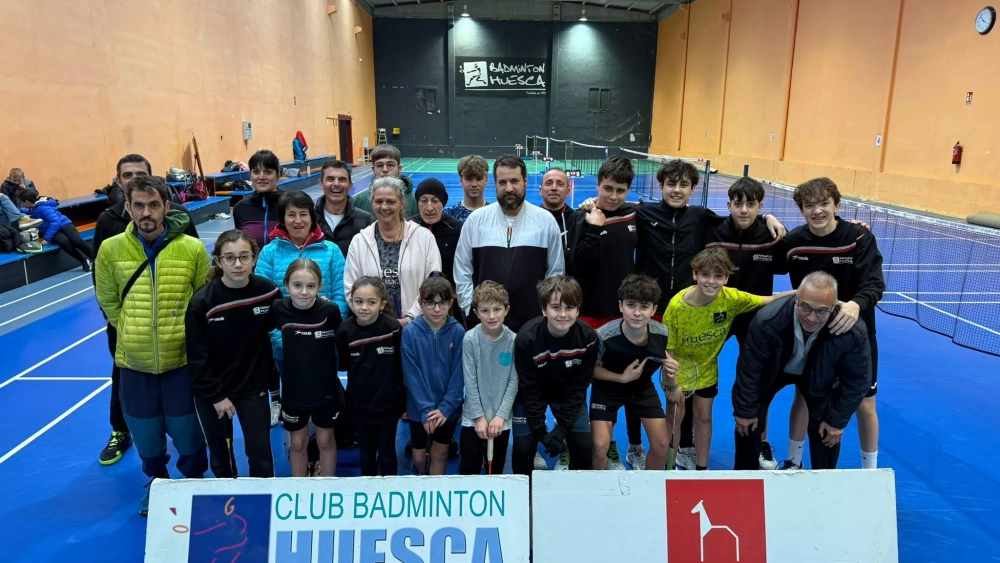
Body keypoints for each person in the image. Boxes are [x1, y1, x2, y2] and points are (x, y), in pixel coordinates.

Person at [94, 175, 211, 515]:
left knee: (188, 433)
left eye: (154, 205)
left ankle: (193, 482)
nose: (146, 212)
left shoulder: (191, 249)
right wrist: (133, 330)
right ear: (129, 208)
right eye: (139, 205)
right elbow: (108, 301)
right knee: (146, 435)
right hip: (134, 364)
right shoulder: (110, 249)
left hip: (181, 362)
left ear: (166, 207)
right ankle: (157, 482)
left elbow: (201, 300)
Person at [776, 177, 885, 470]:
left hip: (855, 336)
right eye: (809, 205)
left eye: (824, 203)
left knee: (864, 403)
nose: (817, 211)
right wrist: (767, 218)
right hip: (811, 333)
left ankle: (870, 473)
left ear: (837, 205)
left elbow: (875, 283)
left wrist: (855, 305)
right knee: (803, 396)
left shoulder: (859, 238)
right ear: (801, 209)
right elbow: (764, 257)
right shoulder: (793, 242)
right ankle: (794, 462)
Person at [663, 248, 791, 470]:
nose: (711, 281)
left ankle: (702, 469)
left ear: (726, 278)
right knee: (675, 418)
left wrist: (804, 292)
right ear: (695, 274)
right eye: (705, 275)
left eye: (718, 276)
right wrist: (672, 384)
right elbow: (668, 350)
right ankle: (669, 467)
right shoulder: (676, 307)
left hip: (707, 368)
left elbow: (768, 299)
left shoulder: (731, 298)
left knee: (704, 417)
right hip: (679, 369)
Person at [732, 272, 872, 470]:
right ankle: (745, 480)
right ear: (796, 299)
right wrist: (745, 411)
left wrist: (836, 422)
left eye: (821, 311)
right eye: (805, 307)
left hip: (818, 374)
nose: (811, 317)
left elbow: (857, 380)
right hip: (774, 371)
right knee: (747, 423)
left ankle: (824, 482)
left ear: (834, 306)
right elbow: (750, 370)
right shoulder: (767, 320)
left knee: (828, 430)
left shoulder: (852, 331)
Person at [570, 156, 645, 470]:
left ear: (628, 190)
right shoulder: (582, 216)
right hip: (587, 313)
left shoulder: (636, 215)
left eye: (620, 190)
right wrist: (592, 227)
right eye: (607, 188)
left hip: (619, 315)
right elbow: (577, 266)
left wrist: (768, 218)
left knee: (612, 385)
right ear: (598, 184)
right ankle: (571, 445)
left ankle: (610, 446)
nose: (613, 196)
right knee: (576, 384)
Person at [185, 230, 279, 478]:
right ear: (218, 261)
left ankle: (261, 497)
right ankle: (227, 498)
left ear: (254, 258)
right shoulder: (202, 303)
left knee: (261, 455)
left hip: (252, 387)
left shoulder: (268, 293)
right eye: (229, 258)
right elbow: (196, 357)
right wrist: (216, 395)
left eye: (244, 256)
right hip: (213, 393)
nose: (238, 264)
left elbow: (286, 322)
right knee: (221, 455)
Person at [255, 190, 348, 426]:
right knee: (294, 404)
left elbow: (341, 294)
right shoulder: (269, 252)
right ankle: (296, 442)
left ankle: (321, 441)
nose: (298, 220)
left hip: (324, 344)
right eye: (291, 214)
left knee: (325, 397)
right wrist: (284, 339)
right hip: (285, 347)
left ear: (312, 217)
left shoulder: (331, 250)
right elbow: (264, 303)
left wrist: (328, 332)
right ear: (283, 219)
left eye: (303, 214)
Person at [454, 154, 565, 332]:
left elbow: (555, 273)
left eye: (514, 181)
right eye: (502, 182)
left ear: (525, 181)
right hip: (486, 325)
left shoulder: (546, 221)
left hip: (533, 325)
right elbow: (462, 270)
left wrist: (546, 313)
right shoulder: (476, 221)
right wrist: (470, 309)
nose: (509, 188)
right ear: (495, 184)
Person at [591, 275, 678, 472]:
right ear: (621, 306)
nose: (637, 313)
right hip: (607, 389)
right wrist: (621, 378)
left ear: (653, 310)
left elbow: (664, 358)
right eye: (631, 305)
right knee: (599, 446)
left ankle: (647, 486)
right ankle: (599, 486)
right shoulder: (603, 336)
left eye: (644, 306)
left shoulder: (662, 333)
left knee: (662, 445)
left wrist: (673, 384)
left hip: (641, 387)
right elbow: (592, 370)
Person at [511, 276, 597, 474]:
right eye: (556, 307)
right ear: (544, 310)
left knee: (583, 448)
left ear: (578, 310)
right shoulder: (526, 339)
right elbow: (528, 389)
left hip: (567, 394)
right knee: (523, 451)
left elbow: (579, 387)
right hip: (533, 395)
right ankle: (527, 492)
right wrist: (542, 434)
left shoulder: (589, 338)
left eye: (570, 307)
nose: (563, 314)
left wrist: (562, 429)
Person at [271, 259, 345, 477]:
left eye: (311, 286)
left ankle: (329, 486)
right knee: (298, 443)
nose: (304, 292)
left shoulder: (330, 311)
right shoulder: (278, 309)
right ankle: (299, 489)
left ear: (320, 286)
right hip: (294, 392)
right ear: (286, 285)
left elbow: (341, 342)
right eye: (297, 285)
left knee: (326, 440)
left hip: (326, 390)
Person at [344, 176, 441, 326]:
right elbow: (350, 287)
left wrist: (410, 319)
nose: (384, 207)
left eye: (391, 202)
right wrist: (372, 318)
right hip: (373, 327)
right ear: (372, 204)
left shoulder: (424, 237)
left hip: (417, 326)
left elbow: (433, 283)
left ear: (402, 203)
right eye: (378, 201)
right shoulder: (359, 241)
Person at [337, 276, 406, 476]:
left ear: (382, 304)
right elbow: (344, 365)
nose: (364, 307)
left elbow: (401, 366)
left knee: (387, 452)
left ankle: (389, 490)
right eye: (359, 301)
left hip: (389, 405)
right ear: (351, 301)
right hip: (360, 406)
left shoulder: (393, 328)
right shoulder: (344, 331)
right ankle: (368, 490)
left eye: (371, 302)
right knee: (366, 453)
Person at [402, 274, 465, 475]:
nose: (437, 309)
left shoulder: (458, 332)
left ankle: (436, 490)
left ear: (451, 303)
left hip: (448, 409)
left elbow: (459, 374)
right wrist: (426, 409)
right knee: (419, 457)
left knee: (440, 454)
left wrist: (446, 408)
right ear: (421, 303)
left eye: (442, 302)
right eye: (430, 303)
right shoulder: (410, 333)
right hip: (418, 409)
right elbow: (412, 375)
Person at [460, 281, 518, 475]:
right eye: (485, 311)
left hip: (501, 419)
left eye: (497, 309)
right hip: (473, 418)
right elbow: (470, 381)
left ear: (506, 310)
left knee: (496, 471)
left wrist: (501, 416)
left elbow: (513, 381)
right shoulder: (470, 339)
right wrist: (479, 418)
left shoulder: (513, 340)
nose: (492, 316)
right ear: (476, 313)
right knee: (469, 469)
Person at [17, 189, 93, 271]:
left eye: (21, 202)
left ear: (27, 201)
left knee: (77, 241)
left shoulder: (44, 208)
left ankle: (96, 258)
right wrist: (17, 211)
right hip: (51, 229)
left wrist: (46, 239)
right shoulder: (33, 208)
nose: (21, 204)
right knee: (64, 242)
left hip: (64, 224)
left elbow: (55, 222)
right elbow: (30, 211)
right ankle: (83, 260)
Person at [314, 159, 374, 256]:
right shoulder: (310, 220)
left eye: (342, 179)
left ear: (350, 185)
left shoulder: (366, 220)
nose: (336, 184)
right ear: (321, 184)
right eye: (330, 179)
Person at [412, 178, 464, 284]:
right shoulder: (408, 228)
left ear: (443, 204)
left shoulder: (457, 229)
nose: (429, 208)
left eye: (435, 201)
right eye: (424, 201)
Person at [233, 149, 284, 250]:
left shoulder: (290, 204)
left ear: (278, 176)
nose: (261, 177)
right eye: (256, 172)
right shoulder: (241, 208)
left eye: (268, 172)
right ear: (250, 176)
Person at [352, 144, 418, 218]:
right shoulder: (358, 200)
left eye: (390, 165)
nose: (385, 170)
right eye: (379, 165)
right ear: (373, 170)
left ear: (399, 169)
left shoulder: (416, 201)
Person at [539, 167, 576, 270]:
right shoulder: (530, 220)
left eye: (560, 184)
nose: (554, 188)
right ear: (541, 191)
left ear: (568, 192)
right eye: (548, 183)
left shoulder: (577, 221)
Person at [444, 155, 489, 222]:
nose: (474, 184)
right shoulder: (449, 214)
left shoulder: (495, 214)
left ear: (486, 180)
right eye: (469, 179)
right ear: (461, 181)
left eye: (479, 179)